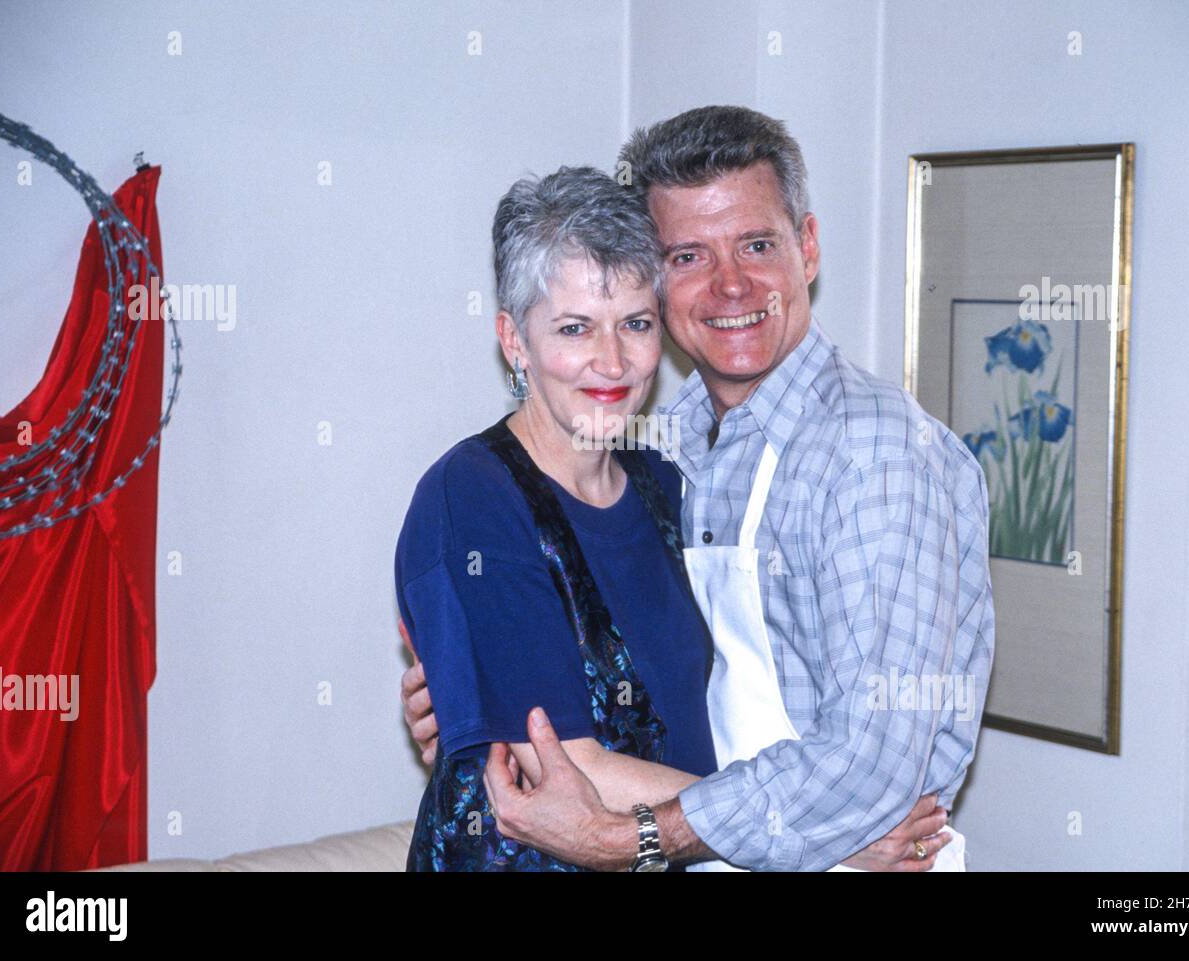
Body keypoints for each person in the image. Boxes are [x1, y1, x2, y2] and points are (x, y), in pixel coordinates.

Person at [404, 106, 994, 873]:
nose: (730, 285)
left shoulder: (877, 455)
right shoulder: (671, 450)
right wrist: (465, 694)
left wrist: (640, 836)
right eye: (688, 256)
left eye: (756, 244)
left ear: (807, 247)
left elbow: (871, 763)